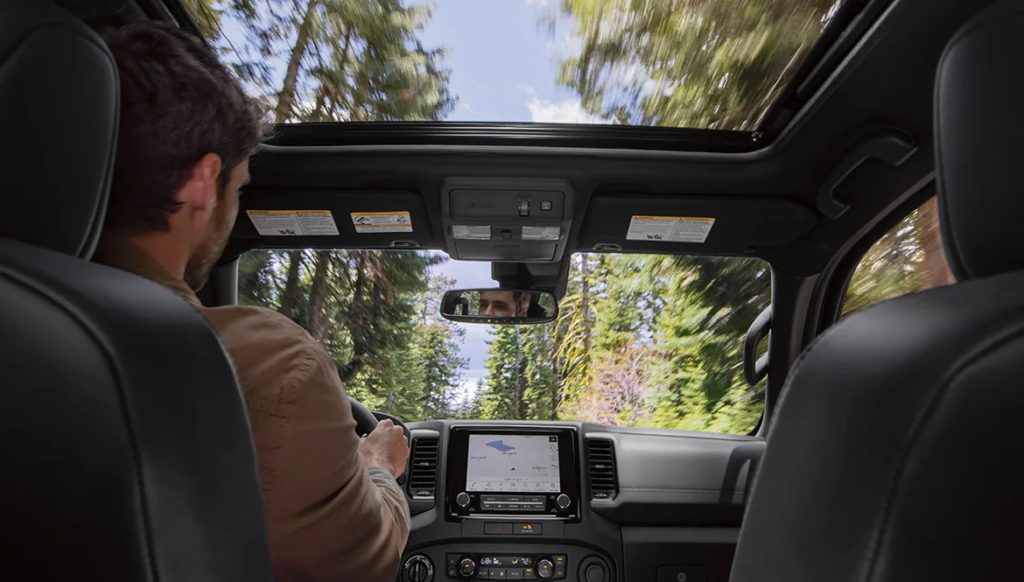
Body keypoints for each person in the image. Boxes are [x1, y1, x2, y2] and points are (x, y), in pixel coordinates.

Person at [94, 23, 410, 582]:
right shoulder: (273, 366)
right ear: (202, 182)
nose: (234, 208)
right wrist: (379, 467)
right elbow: (363, 559)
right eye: (238, 190)